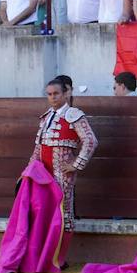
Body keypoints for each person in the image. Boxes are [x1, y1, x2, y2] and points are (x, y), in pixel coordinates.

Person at [37, 77, 97, 263]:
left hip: (62, 173)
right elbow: (38, 148)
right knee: (44, 212)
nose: (52, 97)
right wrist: (29, 171)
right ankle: (46, 257)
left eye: (56, 94)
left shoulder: (74, 115)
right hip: (42, 173)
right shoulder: (46, 117)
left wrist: (75, 165)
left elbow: (91, 140)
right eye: (49, 94)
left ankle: (59, 260)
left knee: (64, 213)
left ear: (66, 93)